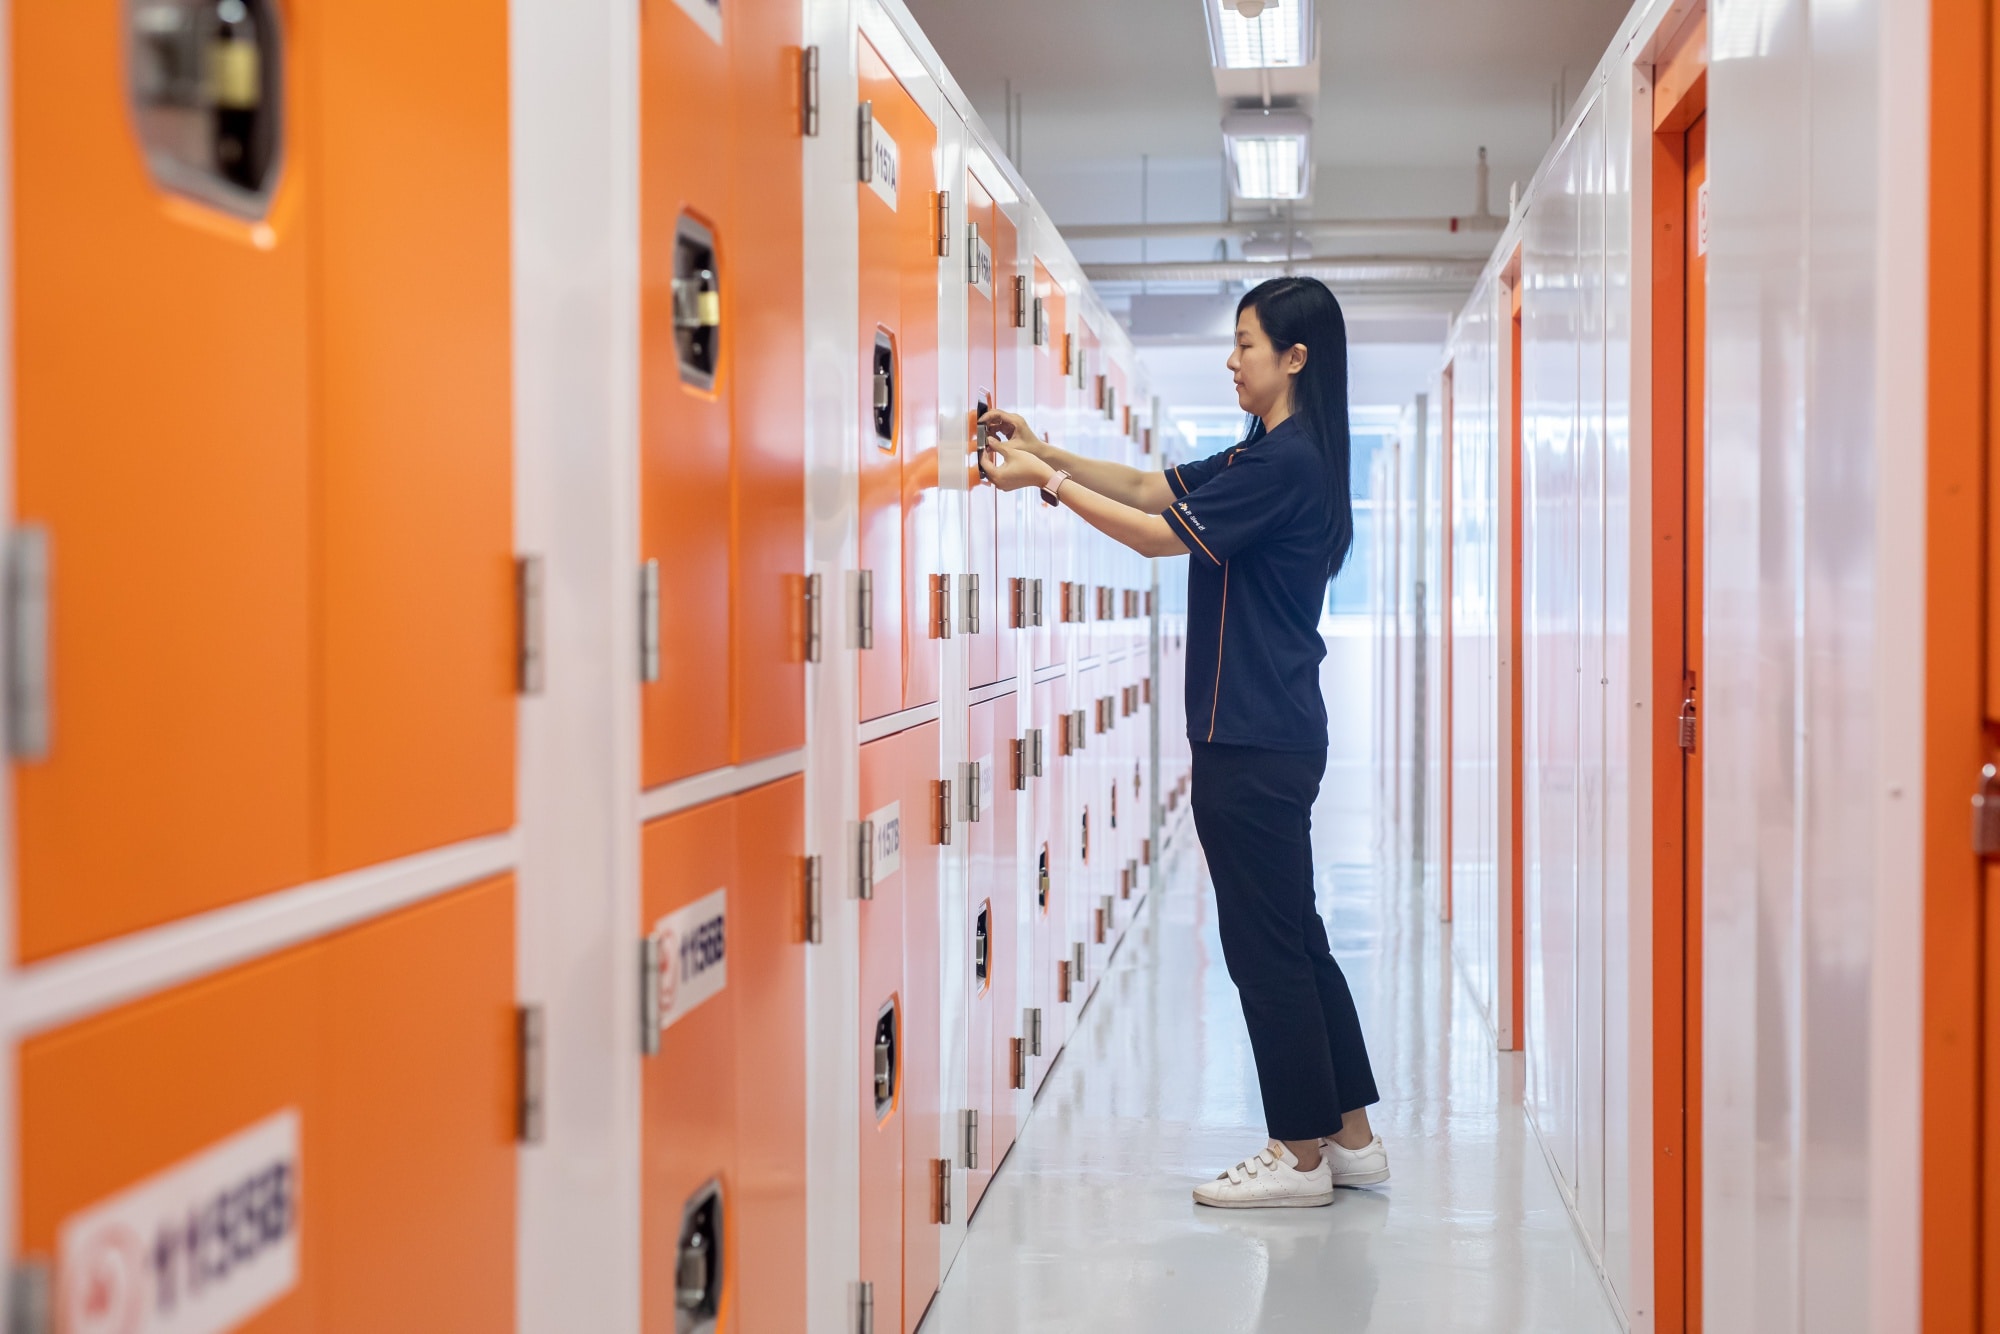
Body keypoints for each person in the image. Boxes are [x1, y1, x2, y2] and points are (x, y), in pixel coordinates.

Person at [978, 275, 1386, 1209]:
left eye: (1246, 344)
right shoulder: (1278, 451)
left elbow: (1156, 535)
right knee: (1298, 936)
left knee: (1262, 947)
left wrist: (1043, 486)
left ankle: (1298, 1156)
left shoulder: (1285, 464)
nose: (1232, 359)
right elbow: (1152, 484)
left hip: (1250, 735)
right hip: (1274, 728)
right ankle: (1351, 1137)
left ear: (1295, 357)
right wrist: (1049, 450)